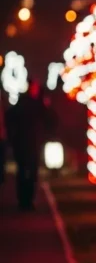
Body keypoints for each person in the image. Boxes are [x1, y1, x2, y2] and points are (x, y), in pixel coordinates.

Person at [6, 81, 55, 210]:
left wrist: (12, 137)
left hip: (22, 143)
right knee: (31, 171)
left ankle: (23, 200)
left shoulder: (21, 104)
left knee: (23, 171)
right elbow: (51, 120)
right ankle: (28, 200)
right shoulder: (38, 105)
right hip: (32, 143)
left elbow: (9, 118)